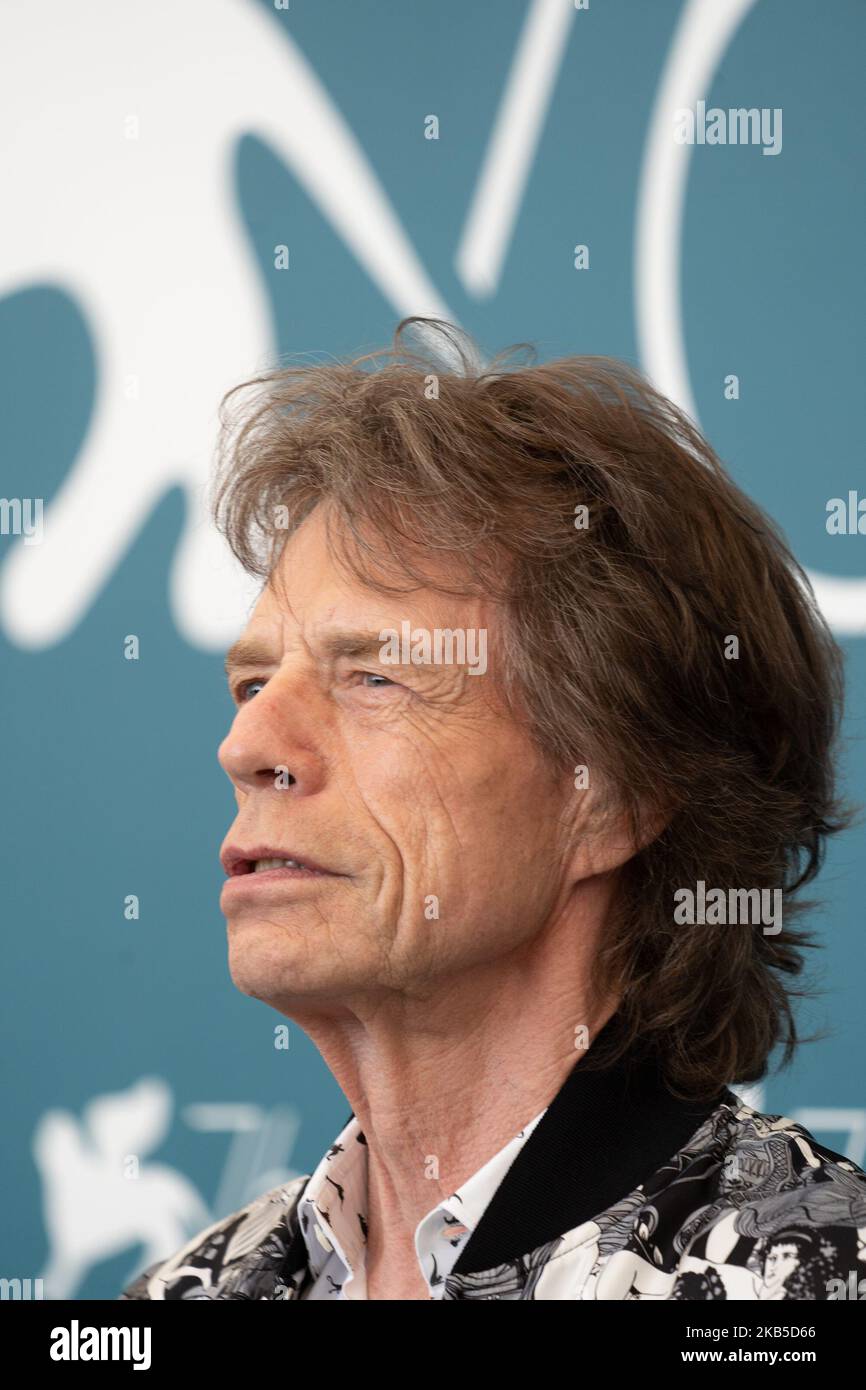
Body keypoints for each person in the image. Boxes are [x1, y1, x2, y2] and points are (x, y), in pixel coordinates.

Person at [120, 319, 866, 1301]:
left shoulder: (801, 1279)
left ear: (614, 798)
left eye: (375, 677)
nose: (248, 748)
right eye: (252, 684)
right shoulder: (189, 1293)